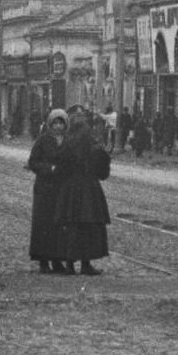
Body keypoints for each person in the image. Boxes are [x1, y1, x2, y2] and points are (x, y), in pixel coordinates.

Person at [53, 106, 112, 277]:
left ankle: (70, 265)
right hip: (88, 189)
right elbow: (102, 171)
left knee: (71, 226)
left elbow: (60, 165)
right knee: (88, 227)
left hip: (70, 189)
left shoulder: (67, 142)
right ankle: (86, 263)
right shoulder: (92, 144)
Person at [27, 108, 69, 274]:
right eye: (55, 123)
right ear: (50, 124)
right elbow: (33, 162)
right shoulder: (43, 141)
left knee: (59, 225)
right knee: (44, 224)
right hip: (44, 188)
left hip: (61, 188)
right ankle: (43, 260)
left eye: (61, 123)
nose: (58, 126)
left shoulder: (68, 140)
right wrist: (49, 168)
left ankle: (58, 259)